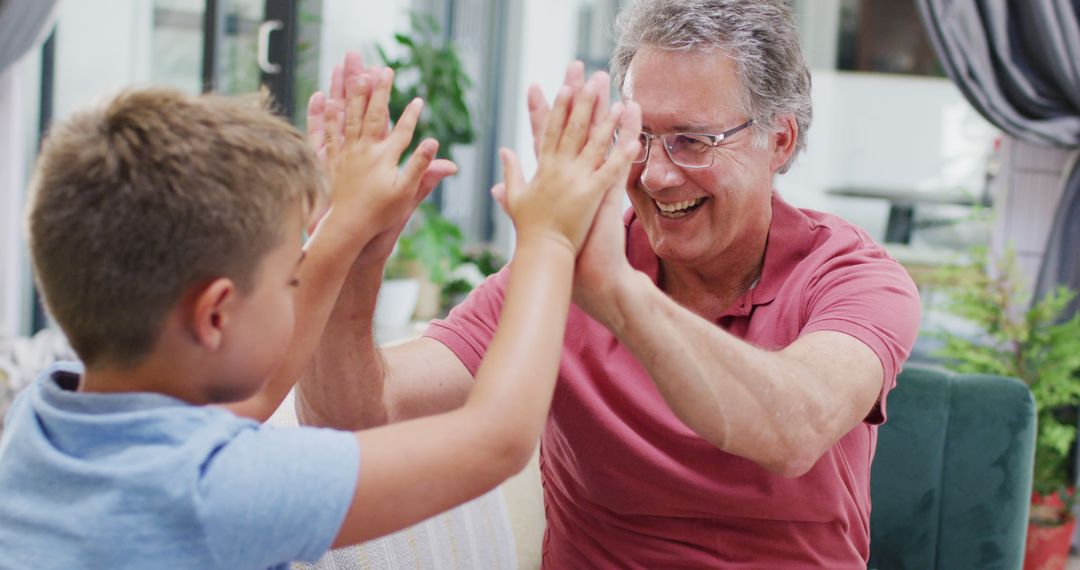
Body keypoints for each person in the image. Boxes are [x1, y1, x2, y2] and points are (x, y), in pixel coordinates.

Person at [298, 1, 922, 567]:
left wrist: (619, 295)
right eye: (638, 138)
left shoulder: (852, 277)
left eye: (691, 141)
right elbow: (355, 421)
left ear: (778, 140)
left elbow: (794, 431)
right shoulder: (569, 272)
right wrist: (354, 253)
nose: (655, 175)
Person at [0, 64, 642, 568]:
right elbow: (496, 440)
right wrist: (550, 239)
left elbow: (250, 396)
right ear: (216, 316)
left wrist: (346, 223)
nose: (300, 287)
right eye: (289, 278)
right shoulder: (223, 488)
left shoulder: (42, 422)